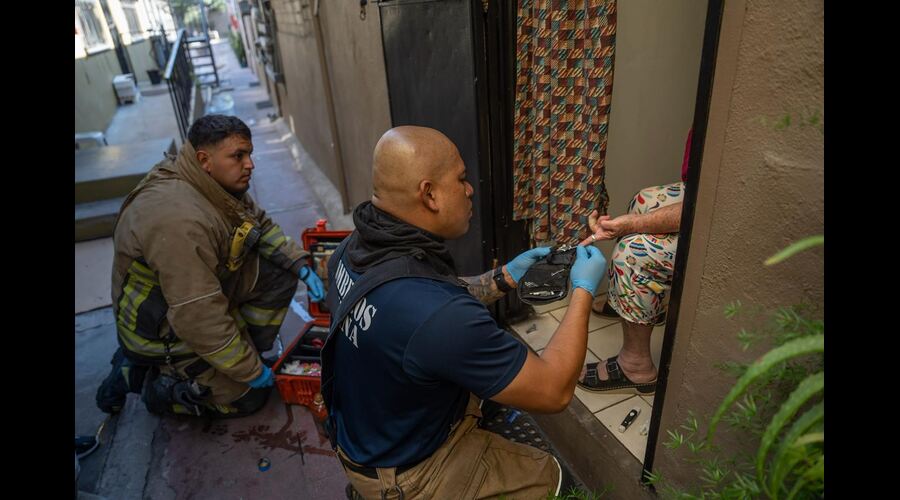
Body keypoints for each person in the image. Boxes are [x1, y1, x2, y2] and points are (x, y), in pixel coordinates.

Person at [322, 126, 608, 499]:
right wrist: (585, 290)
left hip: (371, 436)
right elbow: (554, 392)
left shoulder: (353, 249)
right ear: (430, 194)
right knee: (552, 478)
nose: (470, 189)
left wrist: (504, 277)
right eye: (461, 179)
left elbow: (433, 296)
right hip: (409, 475)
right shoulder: (437, 316)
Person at [95, 114, 325, 418]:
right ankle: (151, 383)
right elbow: (197, 315)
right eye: (238, 156)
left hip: (192, 297)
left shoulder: (213, 184)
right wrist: (250, 372)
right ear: (205, 159)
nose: (250, 164)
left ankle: (239, 355)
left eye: (250, 154)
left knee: (279, 269)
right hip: (164, 330)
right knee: (248, 398)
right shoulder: (178, 220)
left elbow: (260, 227)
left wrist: (300, 265)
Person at [576, 130, 692, 395]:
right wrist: (631, 221)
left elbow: (699, 206)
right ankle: (643, 306)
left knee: (632, 254)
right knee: (643, 201)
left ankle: (636, 366)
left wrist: (628, 226)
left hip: (719, 217)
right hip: (701, 193)